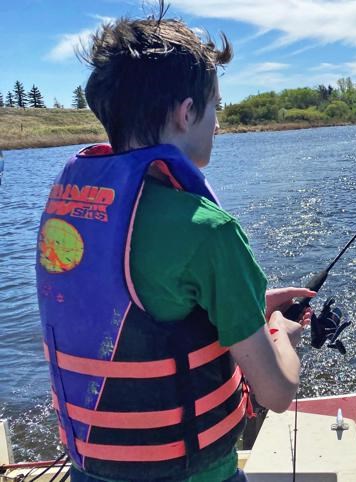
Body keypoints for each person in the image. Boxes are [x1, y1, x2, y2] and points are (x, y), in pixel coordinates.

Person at [35, 10, 313, 482]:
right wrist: (280, 336)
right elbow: (276, 393)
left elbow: (129, 309)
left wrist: (252, 306)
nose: (218, 125)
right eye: (216, 107)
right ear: (186, 113)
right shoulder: (207, 230)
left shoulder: (71, 211)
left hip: (91, 469)